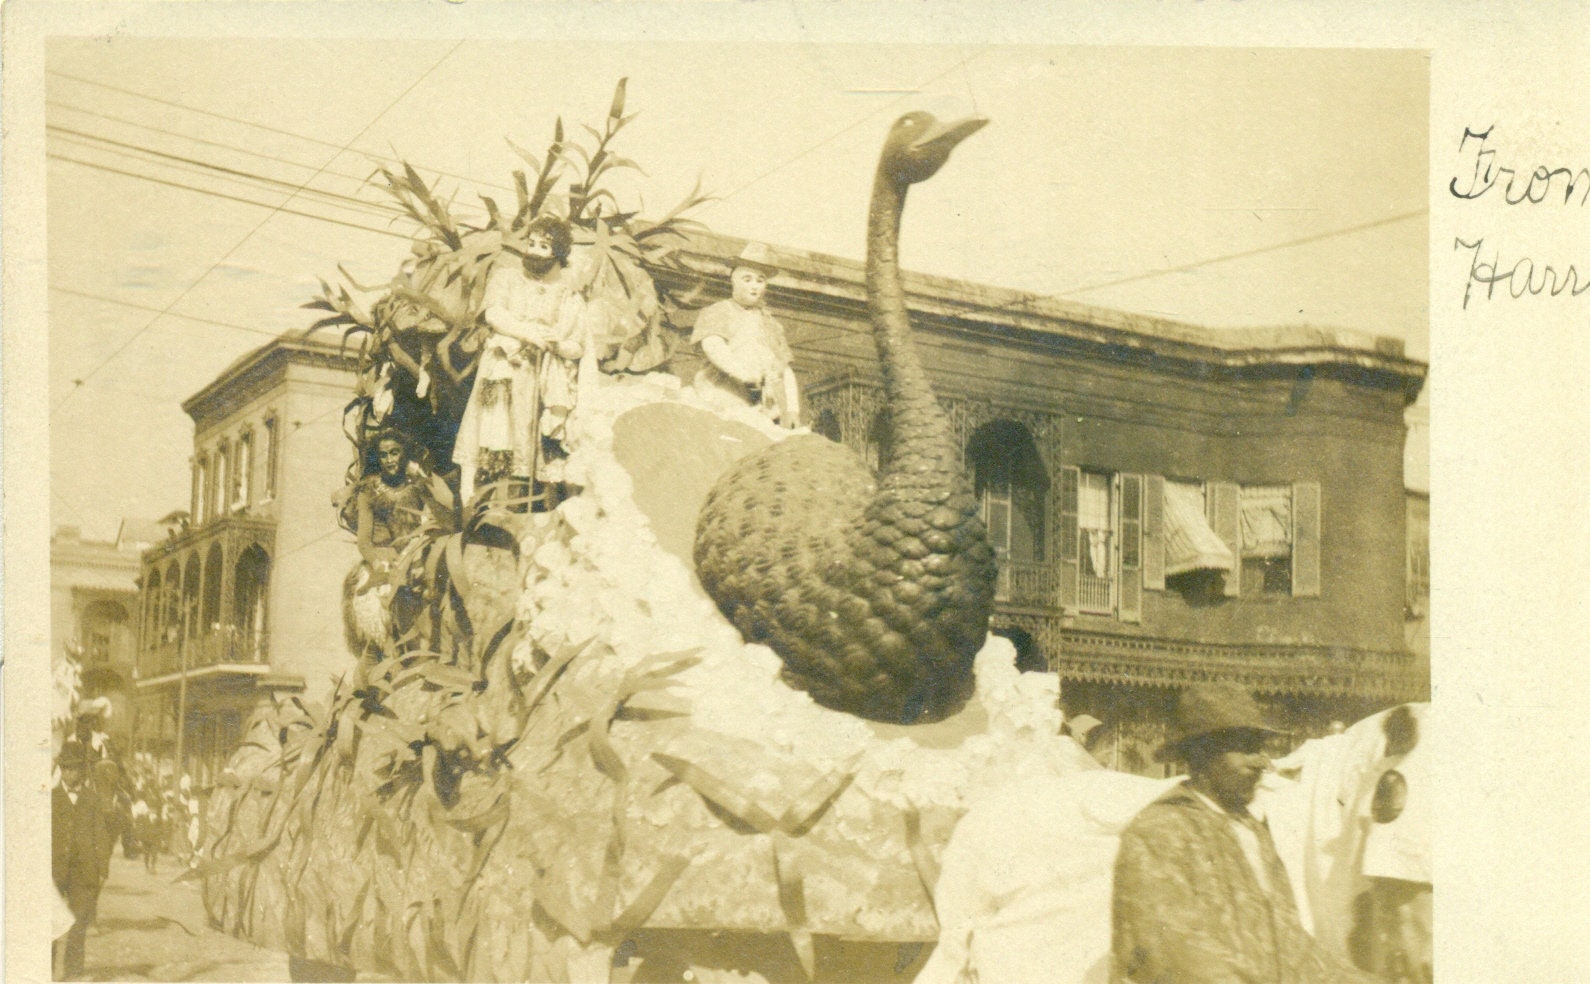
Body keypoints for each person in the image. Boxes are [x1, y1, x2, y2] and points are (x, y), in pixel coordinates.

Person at [1111, 683, 1377, 984]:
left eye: (1259, 748)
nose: (1260, 761)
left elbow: (1291, 944)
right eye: (1244, 747)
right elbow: (1177, 952)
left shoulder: (1252, 830)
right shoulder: (1159, 831)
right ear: (1201, 755)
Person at [453, 213, 588, 502]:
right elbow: (494, 314)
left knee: (534, 436)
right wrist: (528, 333)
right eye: (531, 243)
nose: (534, 251)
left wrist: (556, 344)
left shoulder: (569, 295)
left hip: (540, 374)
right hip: (503, 367)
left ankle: (525, 498)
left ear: (558, 254)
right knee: (492, 427)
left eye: (543, 247)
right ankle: (473, 494)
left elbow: (576, 345)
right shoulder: (507, 278)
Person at [345, 430, 456, 647]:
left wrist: (424, 478)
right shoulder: (368, 491)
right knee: (381, 618)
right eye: (384, 455)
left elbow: (446, 512)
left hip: (413, 556)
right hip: (382, 560)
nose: (389, 460)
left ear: (404, 454)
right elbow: (364, 543)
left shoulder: (415, 486)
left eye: (394, 453)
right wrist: (379, 562)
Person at [690, 242, 801, 428]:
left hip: (763, 404)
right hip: (723, 394)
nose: (754, 286)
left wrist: (792, 410)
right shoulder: (718, 311)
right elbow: (713, 345)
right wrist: (744, 375)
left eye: (760, 280)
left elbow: (785, 368)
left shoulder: (772, 324)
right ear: (733, 280)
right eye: (747, 279)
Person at [53, 741, 123, 979]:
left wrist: (103, 869)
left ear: (82, 770)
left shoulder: (92, 799)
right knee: (50, 923)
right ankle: (46, 971)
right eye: (65, 768)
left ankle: (73, 972)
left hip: (83, 872)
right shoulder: (50, 798)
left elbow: (101, 836)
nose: (69, 773)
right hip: (54, 871)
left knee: (77, 922)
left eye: (74, 768)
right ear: (60, 769)